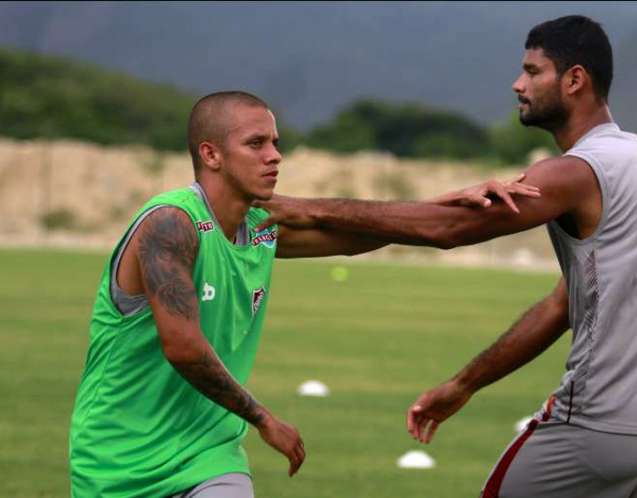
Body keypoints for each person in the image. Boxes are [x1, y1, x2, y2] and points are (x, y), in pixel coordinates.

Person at [261, 15, 637, 498]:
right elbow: (562, 305)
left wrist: (303, 205)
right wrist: (464, 384)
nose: (518, 84)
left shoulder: (578, 171)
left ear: (575, 79)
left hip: (601, 424)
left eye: (533, 72)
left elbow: (449, 229)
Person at [68, 90, 537, 498]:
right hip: (117, 462)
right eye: (256, 144)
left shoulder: (259, 230)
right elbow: (184, 347)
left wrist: (455, 199)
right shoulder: (171, 224)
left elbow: (357, 235)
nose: (275, 155)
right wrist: (263, 418)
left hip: (207, 457)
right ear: (211, 155)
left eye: (275, 142)